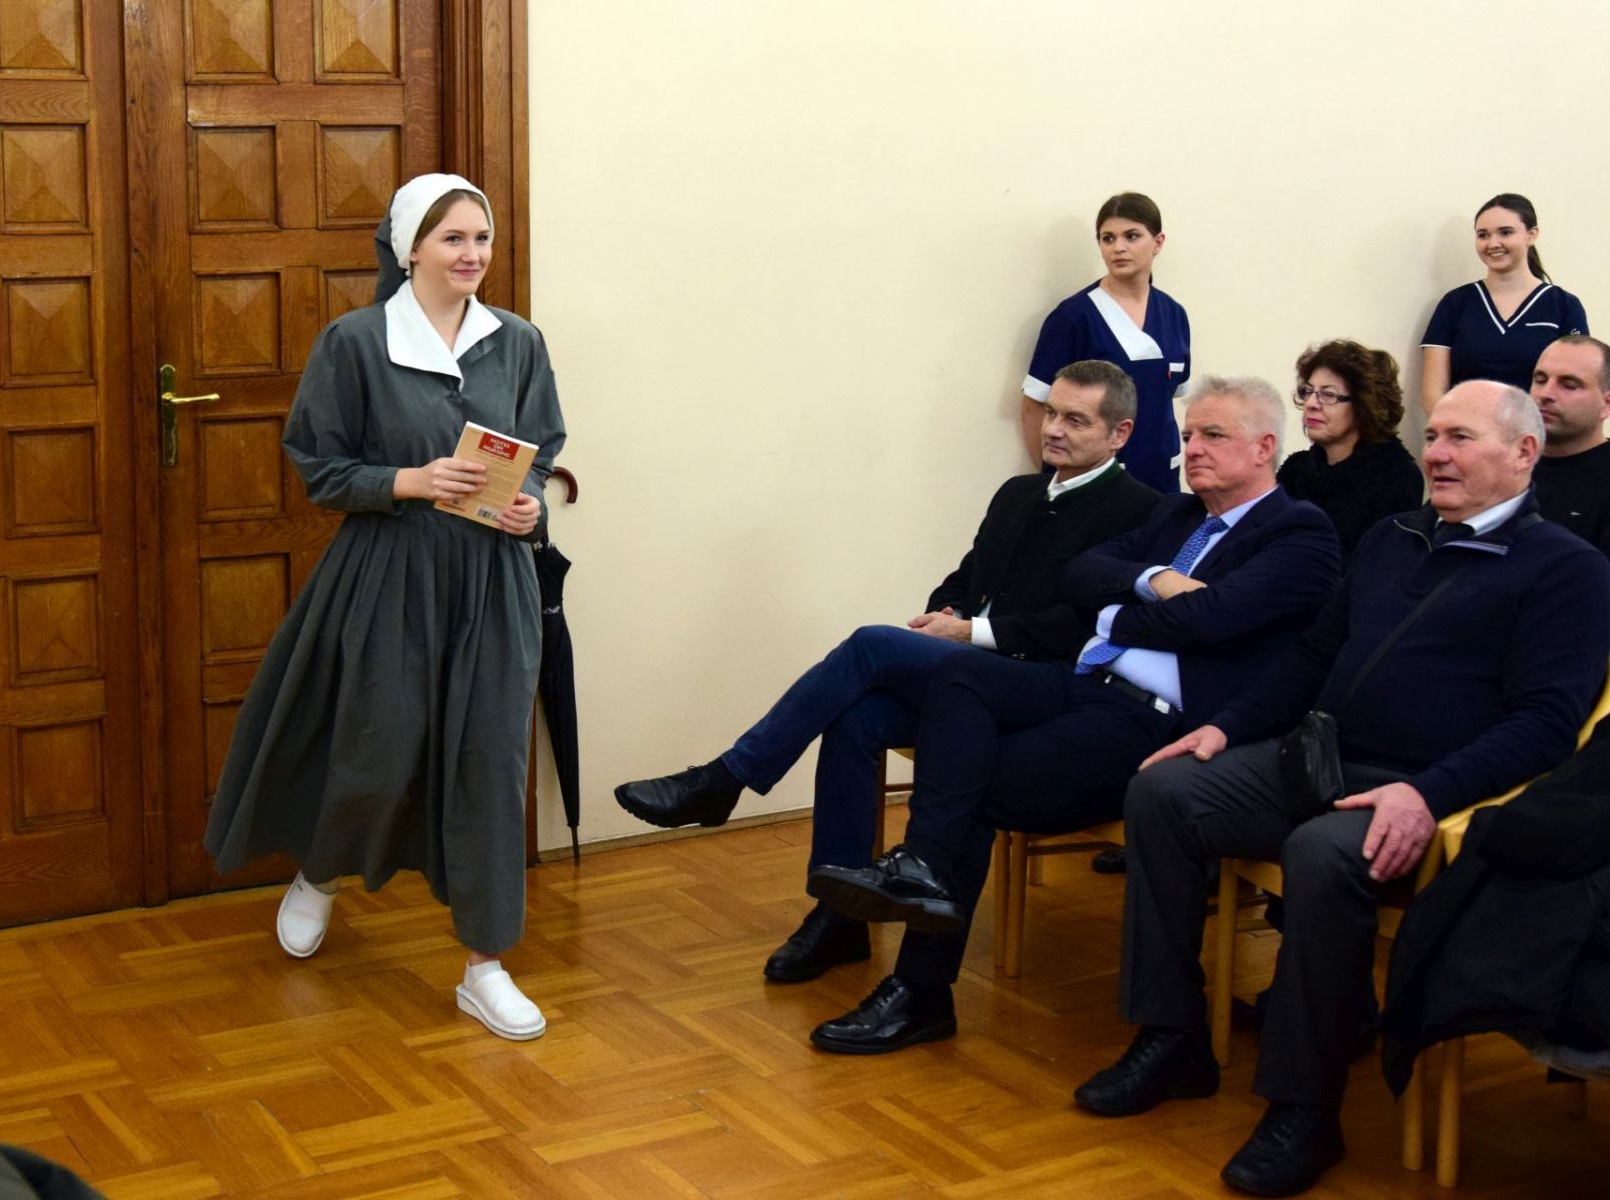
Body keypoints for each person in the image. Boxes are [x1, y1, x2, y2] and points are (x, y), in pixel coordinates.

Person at [1077, 381, 1610, 1197]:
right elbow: (1311, 657)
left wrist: (1427, 795)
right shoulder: (1394, 537)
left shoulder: (1569, 570)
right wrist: (1225, 728)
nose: (1436, 453)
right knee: (1165, 792)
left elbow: (1544, 726)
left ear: (1523, 453)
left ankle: (1304, 1107)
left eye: (1461, 438)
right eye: (1434, 436)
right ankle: (1172, 1037)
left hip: (1432, 791)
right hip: (1323, 760)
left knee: (1321, 854)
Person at [806, 378, 1341, 1054]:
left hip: (1155, 720)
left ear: (1264, 448)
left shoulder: (1300, 532)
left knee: (970, 784)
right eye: (1188, 436)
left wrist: (1117, 614)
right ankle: (918, 869)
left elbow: (1212, 617)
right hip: (1087, 683)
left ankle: (920, 984)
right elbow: (1083, 572)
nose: (1192, 450)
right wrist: (1153, 580)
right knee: (961, 674)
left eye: (1213, 436)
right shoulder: (1180, 516)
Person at [613, 361, 1159, 981]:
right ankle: (839, 915)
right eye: (1051, 413)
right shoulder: (1017, 493)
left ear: (1120, 433)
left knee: (872, 645)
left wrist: (971, 632)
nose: (1053, 429)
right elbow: (966, 578)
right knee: (859, 718)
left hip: (1046, 685)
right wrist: (948, 611)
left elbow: (1088, 627)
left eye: (1076, 420)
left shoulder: (1143, 511)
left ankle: (727, 778)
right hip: (970, 673)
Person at [204, 174, 567, 1042]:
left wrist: (530, 510)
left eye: (481, 238)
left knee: (489, 765)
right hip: (389, 578)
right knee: (374, 747)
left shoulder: (517, 342)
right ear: (411, 248)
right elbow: (319, 466)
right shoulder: (356, 342)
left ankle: (485, 966)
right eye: (453, 239)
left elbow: (540, 453)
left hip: (492, 584)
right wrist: (410, 480)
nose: (473, 255)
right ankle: (321, 871)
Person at [1020, 193, 1190, 492]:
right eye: (1108, 238)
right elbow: (1033, 406)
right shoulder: (1074, 317)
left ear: (1158, 242)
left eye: (1132, 236)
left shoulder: (1173, 314)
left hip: (1161, 481)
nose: (1118, 248)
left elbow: (1166, 398)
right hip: (1094, 484)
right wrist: (1054, 479)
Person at [1420, 193, 1589, 416]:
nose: (1493, 243)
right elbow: (1433, 393)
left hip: (1538, 434)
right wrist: (1462, 431)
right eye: (1483, 235)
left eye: (1506, 232)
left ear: (1531, 235)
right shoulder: (1455, 304)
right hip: (1467, 432)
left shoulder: (1564, 306)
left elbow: (1574, 385)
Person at [1277, 340, 1423, 556]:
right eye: (1308, 391)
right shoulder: (1296, 469)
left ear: (1365, 405)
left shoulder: (1397, 476)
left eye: (1328, 395)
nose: (1310, 404)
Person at [1531, 334, 1610, 554]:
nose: (1546, 394)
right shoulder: (1502, 464)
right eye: (1540, 380)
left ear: (1607, 404)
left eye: (1569, 385)